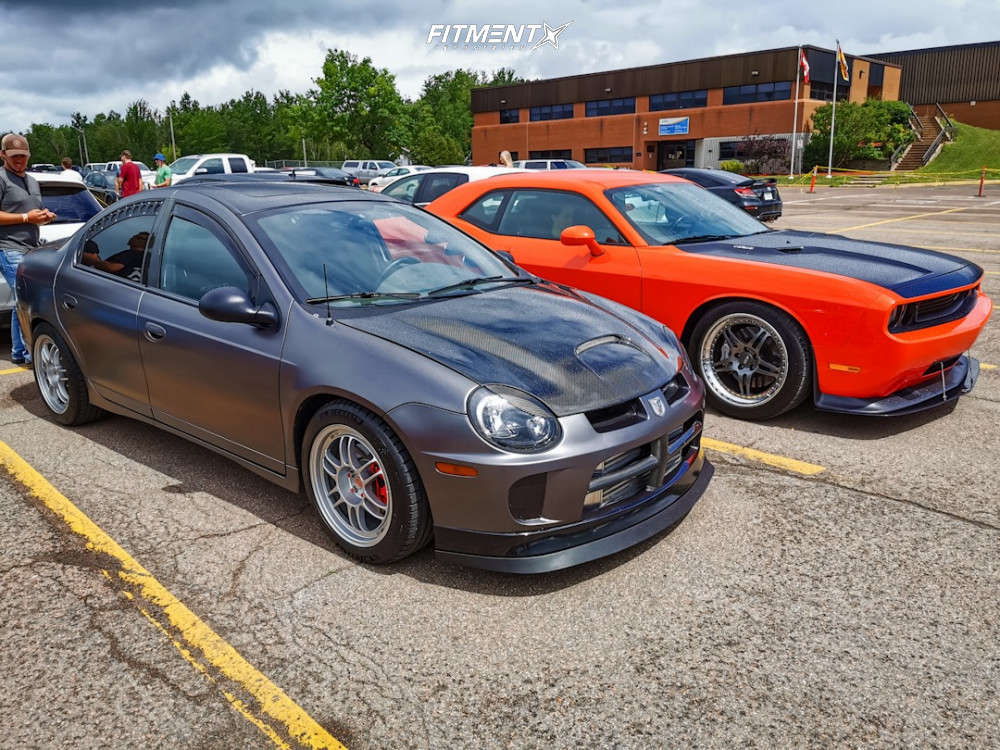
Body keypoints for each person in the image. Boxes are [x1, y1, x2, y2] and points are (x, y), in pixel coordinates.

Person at [0, 133, 56, 364]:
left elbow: (35, 212)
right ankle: (24, 352)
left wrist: (44, 217)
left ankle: (18, 352)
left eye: (22, 155)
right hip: (8, 247)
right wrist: (25, 217)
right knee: (24, 299)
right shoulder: (1, 178)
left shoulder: (32, 181)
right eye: (14, 156)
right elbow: (23, 215)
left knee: (21, 300)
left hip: (32, 247)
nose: (19, 160)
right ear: (3, 155)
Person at [81, 232, 149, 282]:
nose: (133, 237)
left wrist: (94, 260)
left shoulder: (133, 254)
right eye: (135, 235)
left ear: (148, 243)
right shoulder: (148, 258)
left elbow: (112, 267)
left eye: (140, 238)